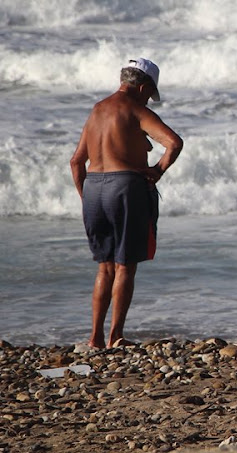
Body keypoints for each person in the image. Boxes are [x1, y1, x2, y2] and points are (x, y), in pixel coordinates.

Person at [70, 58, 183, 349]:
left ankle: (94, 338)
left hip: (94, 189)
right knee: (124, 267)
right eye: (149, 94)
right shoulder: (136, 109)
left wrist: (88, 198)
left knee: (104, 267)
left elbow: (76, 162)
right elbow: (174, 142)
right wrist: (157, 171)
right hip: (126, 188)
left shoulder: (97, 110)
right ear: (142, 86)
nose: (149, 101)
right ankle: (115, 337)